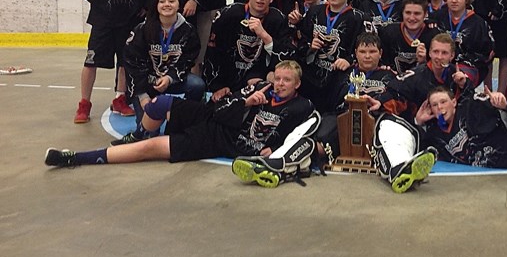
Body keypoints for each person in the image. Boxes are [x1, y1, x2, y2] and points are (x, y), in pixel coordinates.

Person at [46, 61, 320, 189]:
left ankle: (75, 158)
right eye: (279, 79)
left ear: (297, 84)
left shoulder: (302, 106)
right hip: (213, 120)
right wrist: (245, 103)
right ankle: (140, 131)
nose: (280, 84)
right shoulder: (259, 89)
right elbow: (218, 111)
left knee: (150, 149)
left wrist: (272, 148)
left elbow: (293, 136)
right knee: (160, 103)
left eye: (287, 81)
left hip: (219, 142)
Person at [119, 0, 205, 144]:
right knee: (149, 135)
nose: (167, 4)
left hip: (172, 81)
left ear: (179, 5)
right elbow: (133, 64)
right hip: (147, 85)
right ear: (156, 5)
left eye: (172, 1)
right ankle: (145, 124)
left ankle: (185, 118)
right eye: (162, 1)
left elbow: (187, 61)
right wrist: (143, 96)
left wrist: (170, 78)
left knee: (197, 84)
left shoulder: (188, 31)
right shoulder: (142, 30)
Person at [204, 0, 292, 102]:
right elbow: (213, 53)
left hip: (258, 79)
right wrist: (218, 86)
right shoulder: (228, 14)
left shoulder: (278, 19)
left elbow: (286, 57)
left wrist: (265, 36)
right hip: (227, 79)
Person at [315, 32, 395, 161]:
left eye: (372, 51)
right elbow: (329, 102)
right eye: (363, 52)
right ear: (356, 53)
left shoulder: (389, 76)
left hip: (374, 120)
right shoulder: (343, 73)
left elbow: (394, 103)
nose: (367, 56)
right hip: (341, 118)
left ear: (380, 53)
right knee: (322, 135)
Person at [296, 0, 365, 113]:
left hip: (338, 79)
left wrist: (349, 60)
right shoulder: (314, 12)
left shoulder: (358, 18)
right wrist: (310, 46)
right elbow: (301, 41)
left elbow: (367, 49)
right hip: (311, 77)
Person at [429, 0, 493, 88]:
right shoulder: (437, 18)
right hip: (439, 62)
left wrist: (460, 64)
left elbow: (487, 55)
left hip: (468, 67)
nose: (454, 0)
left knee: (456, 79)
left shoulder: (478, 24)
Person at [378, 0, 442, 75]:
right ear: (402, 13)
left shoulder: (434, 35)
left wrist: (424, 62)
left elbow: (439, 72)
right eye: (408, 13)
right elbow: (382, 63)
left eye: (417, 13)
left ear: (426, 14)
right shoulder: (388, 32)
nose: (412, 18)